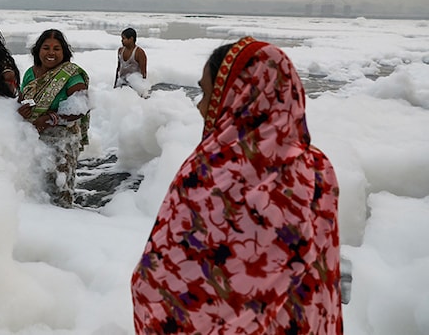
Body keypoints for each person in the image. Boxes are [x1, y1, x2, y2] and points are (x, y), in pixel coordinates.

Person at [131, 37, 342, 334]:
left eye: (207, 93)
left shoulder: (214, 173)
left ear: (238, 97)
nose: (201, 105)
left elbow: (167, 284)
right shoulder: (317, 168)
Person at [17, 29, 90, 208]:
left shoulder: (70, 75)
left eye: (56, 49)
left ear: (64, 52)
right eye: (46, 48)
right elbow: (22, 99)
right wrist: (23, 110)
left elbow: (81, 106)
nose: (51, 53)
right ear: (38, 51)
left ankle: (60, 228)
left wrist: (50, 119)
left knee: (59, 188)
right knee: (35, 185)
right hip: (33, 138)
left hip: (62, 141)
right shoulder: (30, 73)